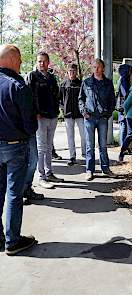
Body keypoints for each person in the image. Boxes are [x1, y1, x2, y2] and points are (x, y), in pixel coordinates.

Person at [0, 44, 38, 255]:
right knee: (14, 194)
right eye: (20, 60)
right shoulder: (17, 86)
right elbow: (30, 125)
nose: (21, 64)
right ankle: (12, 241)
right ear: (13, 60)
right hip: (15, 147)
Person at [26, 52, 64, 189]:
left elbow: (57, 95)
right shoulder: (32, 76)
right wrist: (35, 113)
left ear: (48, 63)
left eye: (43, 61)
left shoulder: (52, 78)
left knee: (49, 147)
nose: (41, 63)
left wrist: (57, 110)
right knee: (41, 148)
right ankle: (41, 177)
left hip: (52, 116)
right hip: (40, 117)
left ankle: (49, 173)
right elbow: (28, 96)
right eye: (39, 61)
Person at [79, 58, 116, 181]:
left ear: (103, 68)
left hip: (102, 118)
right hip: (89, 118)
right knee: (89, 145)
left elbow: (112, 100)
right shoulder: (87, 82)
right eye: (94, 67)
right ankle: (89, 170)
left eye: (99, 67)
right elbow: (81, 99)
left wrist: (108, 113)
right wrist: (83, 112)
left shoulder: (108, 83)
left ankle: (105, 169)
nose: (96, 69)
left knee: (103, 145)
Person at [60, 63, 85, 166]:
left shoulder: (81, 84)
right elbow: (60, 99)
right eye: (70, 71)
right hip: (68, 114)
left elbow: (84, 97)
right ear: (67, 72)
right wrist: (63, 109)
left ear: (76, 72)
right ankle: (72, 156)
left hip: (80, 114)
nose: (72, 73)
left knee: (84, 135)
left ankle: (85, 154)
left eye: (74, 71)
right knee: (70, 136)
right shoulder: (63, 84)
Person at [116, 64, 132, 149]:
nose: (131, 73)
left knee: (123, 125)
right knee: (124, 126)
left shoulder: (123, 79)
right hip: (124, 105)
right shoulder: (124, 79)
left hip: (122, 104)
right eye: (130, 71)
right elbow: (125, 93)